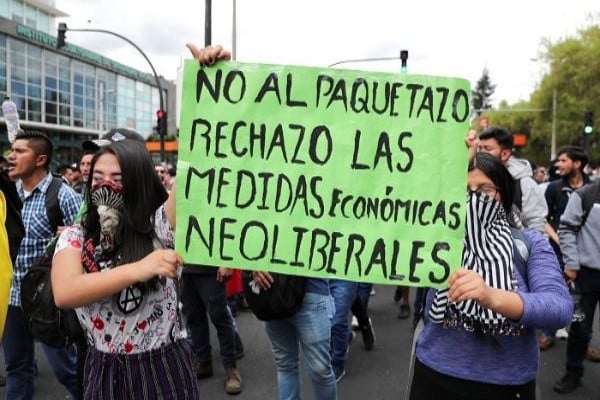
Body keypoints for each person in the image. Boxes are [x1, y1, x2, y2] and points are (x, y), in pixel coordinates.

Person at [187, 42, 337, 400]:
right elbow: (236, 207)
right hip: (268, 285)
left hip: (310, 286)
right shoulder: (253, 166)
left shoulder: (322, 163)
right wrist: (220, 75)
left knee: (319, 367)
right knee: (285, 363)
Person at [409, 152, 572, 400]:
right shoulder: (435, 238)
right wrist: (451, 157)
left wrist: (491, 296)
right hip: (434, 373)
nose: (473, 198)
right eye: (464, 190)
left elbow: (559, 308)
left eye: (485, 190)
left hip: (506, 383)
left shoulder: (530, 243)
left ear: (503, 193)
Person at [51, 138, 200, 399]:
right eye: (98, 177)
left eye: (117, 179)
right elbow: (65, 292)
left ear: (138, 182)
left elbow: (195, 168)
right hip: (104, 369)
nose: (105, 185)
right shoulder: (75, 236)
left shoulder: (159, 226)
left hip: (163, 367)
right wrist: (138, 269)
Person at [4, 130, 81, 400]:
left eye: (19, 151)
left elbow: (87, 243)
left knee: (67, 370)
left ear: (40, 159)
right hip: (12, 300)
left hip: (47, 301)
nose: (11, 156)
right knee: (17, 369)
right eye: (11, 150)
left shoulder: (64, 195)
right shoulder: (7, 194)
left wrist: (70, 236)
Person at [539, 146, 590, 351]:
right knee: (555, 292)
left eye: (563, 160)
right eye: (558, 161)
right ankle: (548, 332)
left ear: (577, 164)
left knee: (585, 299)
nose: (558, 164)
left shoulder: (592, 189)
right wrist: (559, 239)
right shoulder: (554, 188)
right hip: (558, 252)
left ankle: (583, 342)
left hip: (586, 253)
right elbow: (543, 218)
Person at [553, 176, 600, 393]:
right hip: (586, 275)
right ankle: (573, 373)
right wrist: (571, 264)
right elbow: (566, 229)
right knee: (580, 326)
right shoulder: (585, 195)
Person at [477, 126, 547, 233]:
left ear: (505, 154)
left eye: (487, 149)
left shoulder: (524, 184)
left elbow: (536, 223)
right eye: (479, 148)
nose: (481, 153)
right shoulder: (472, 178)